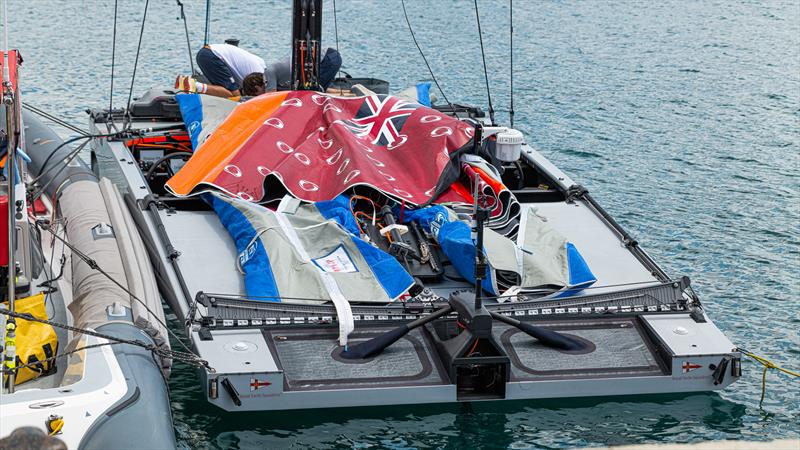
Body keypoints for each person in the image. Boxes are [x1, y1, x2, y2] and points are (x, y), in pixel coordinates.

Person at [175, 44, 342, 98]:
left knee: (312, 93)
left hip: (207, 52)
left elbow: (271, 97)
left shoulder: (264, 72)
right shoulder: (261, 71)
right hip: (211, 55)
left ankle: (195, 86)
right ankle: (194, 86)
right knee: (233, 93)